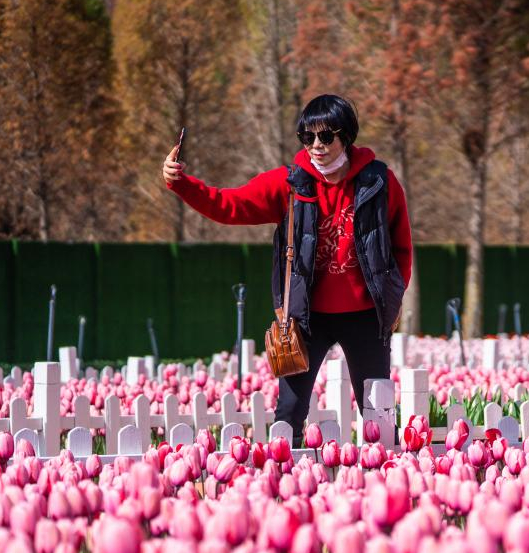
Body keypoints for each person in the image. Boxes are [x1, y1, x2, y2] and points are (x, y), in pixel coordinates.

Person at [162, 94, 413, 445]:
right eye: (307, 137)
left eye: (326, 136)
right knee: (289, 413)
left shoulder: (379, 182)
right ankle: (283, 488)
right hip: (305, 317)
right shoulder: (291, 184)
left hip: (366, 315)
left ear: (347, 136)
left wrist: (393, 293)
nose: (316, 146)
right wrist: (181, 184)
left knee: (378, 414)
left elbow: (401, 245)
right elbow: (228, 205)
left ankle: (386, 485)